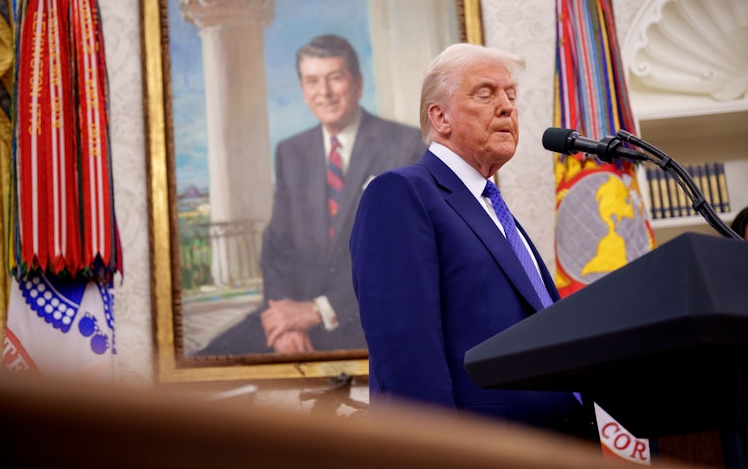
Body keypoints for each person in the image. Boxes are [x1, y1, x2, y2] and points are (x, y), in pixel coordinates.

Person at [350, 43, 594, 439]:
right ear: (440, 117)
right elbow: (406, 356)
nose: (507, 107)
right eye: (486, 93)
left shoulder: (492, 209)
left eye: (511, 96)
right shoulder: (401, 192)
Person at [198, 34, 426, 356]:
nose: (324, 93)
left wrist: (319, 310)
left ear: (358, 84)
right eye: (312, 81)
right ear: (303, 90)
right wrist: (283, 320)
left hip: (366, 318)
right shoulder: (292, 151)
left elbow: (404, 254)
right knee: (203, 365)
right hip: (294, 315)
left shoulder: (406, 145)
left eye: (335, 78)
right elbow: (275, 246)